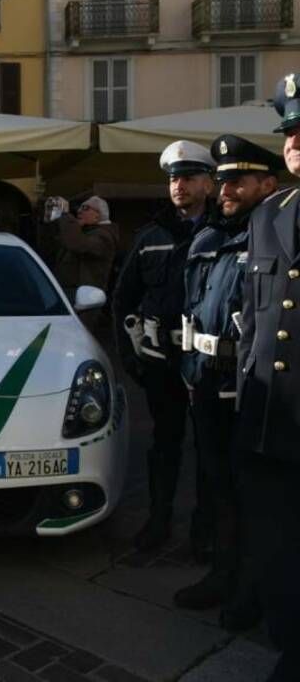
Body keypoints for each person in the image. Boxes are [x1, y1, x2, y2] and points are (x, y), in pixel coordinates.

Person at [175, 135, 280, 628]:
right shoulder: (208, 240)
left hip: (252, 390)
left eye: (237, 181)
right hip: (206, 385)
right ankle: (223, 573)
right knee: (217, 487)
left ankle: (253, 590)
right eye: (221, 182)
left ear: (268, 183)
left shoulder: (275, 238)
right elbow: (192, 311)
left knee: (255, 496)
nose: (226, 191)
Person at [112, 140, 216, 555]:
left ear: (209, 183)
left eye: (189, 178)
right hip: (161, 361)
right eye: (174, 179)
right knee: (165, 443)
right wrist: (129, 356)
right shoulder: (151, 235)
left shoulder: (225, 232)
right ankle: (158, 521)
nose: (179, 186)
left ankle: (204, 530)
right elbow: (123, 298)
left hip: (210, 363)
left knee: (210, 448)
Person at [235, 73, 300, 682]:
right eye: (290, 131)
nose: (296, 142)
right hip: (271, 420)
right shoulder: (268, 215)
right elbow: (258, 323)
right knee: (278, 541)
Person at [48, 195, 119, 330]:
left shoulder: (103, 236)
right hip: (73, 297)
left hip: (86, 302)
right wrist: (55, 217)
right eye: (79, 208)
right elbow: (56, 243)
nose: (79, 211)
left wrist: (66, 215)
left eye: (85, 208)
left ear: (98, 216)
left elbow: (78, 245)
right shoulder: (84, 232)